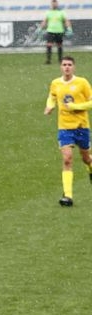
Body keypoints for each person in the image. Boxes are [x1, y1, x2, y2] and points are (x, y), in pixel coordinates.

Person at [44, 56, 92, 207]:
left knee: (86, 158)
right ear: (61, 67)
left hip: (81, 127)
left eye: (69, 65)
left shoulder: (82, 83)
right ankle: (68, 196)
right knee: (67, 159)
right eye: (64, 64)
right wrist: (50, 106)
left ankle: (90, 169)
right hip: (64, 127)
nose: (67, 67)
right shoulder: (56, 83)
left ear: (74, 67)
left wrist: (75, 107)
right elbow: (52, 97)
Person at [40, 0, 72, 65]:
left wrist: (69, 28)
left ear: (57, 4)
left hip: (59, 31)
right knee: (49, 45)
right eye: (53, 3)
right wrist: (40, 28)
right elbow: (45, 21)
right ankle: (48, 60)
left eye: (55, 3)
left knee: (59, 45)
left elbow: (66, 21)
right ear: (51, 4)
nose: (54, 4)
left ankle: (60, 60)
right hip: (50, 31)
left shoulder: (61, 12)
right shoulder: (48, 12)